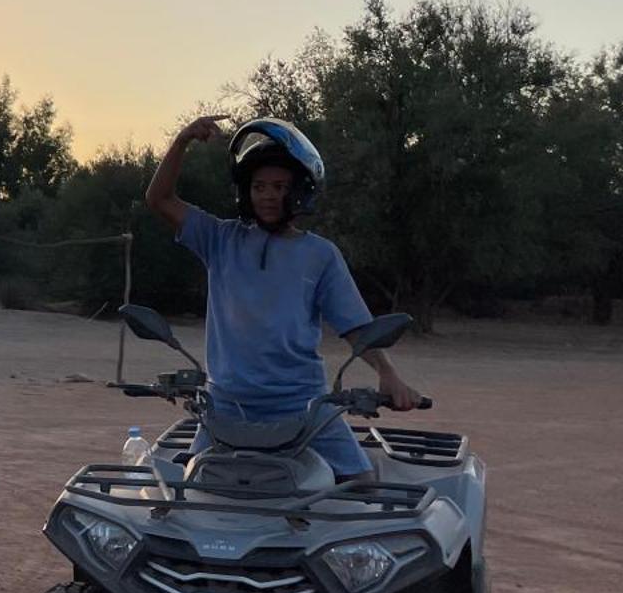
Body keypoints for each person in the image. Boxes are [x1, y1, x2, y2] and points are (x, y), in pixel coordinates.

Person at [144, 114, 420, 482]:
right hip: (226, 406)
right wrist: (181, 142)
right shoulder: (220, 240)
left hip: (301, 405)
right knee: (190, 492)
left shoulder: (320, 255)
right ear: (246, 191)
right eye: (259, 187)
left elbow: (356, 326)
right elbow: (159, 198)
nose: (269, 196)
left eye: (279, 186)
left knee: (361, 486)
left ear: (299, 191)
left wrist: (388, 374)